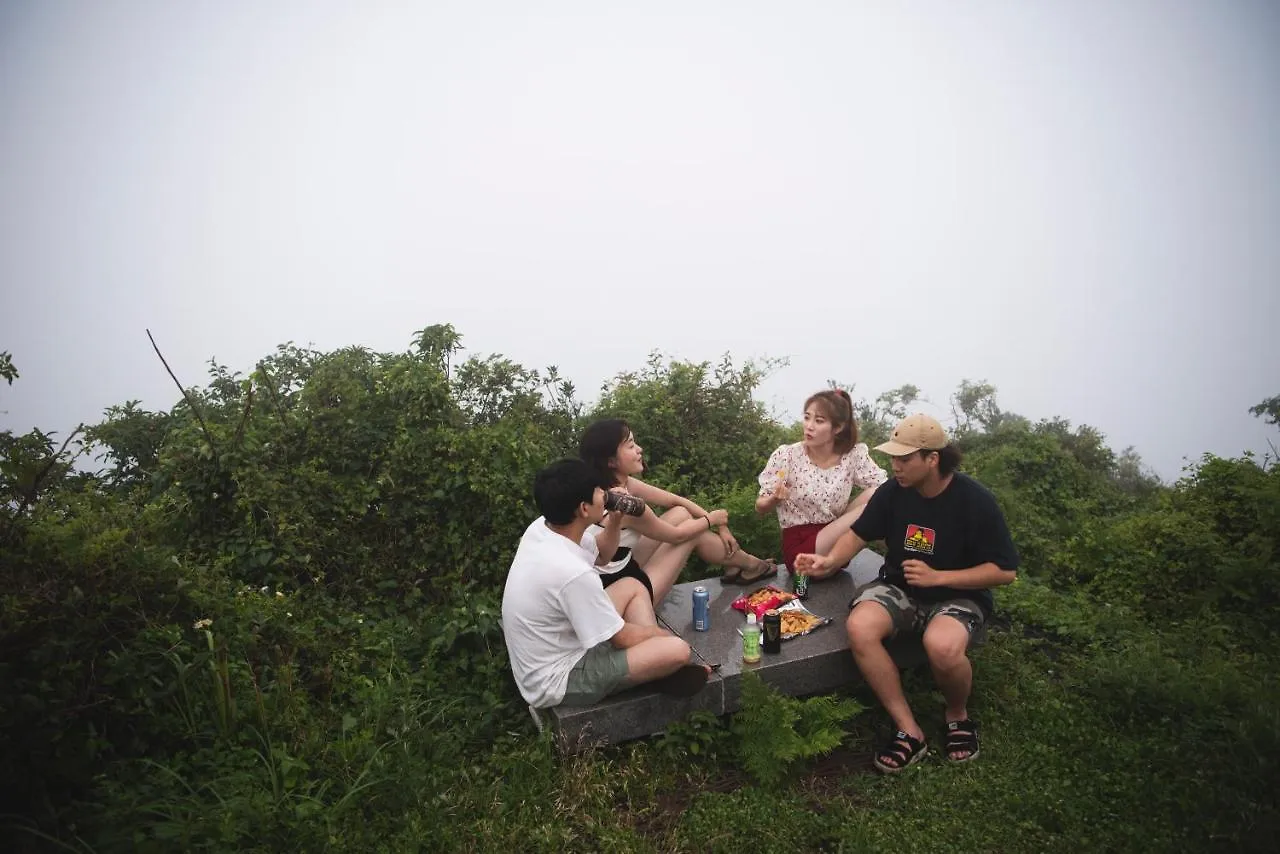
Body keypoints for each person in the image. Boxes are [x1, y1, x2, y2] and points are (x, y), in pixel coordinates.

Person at [795, 413, 1018, 772]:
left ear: (932, 459)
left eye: (904, 458)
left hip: (958, 595)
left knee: (942, 647)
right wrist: (830, 561)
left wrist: (940, 578)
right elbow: (858, 533)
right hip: (900, 588)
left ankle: (957, 715)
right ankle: (909, 730)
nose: (894, 466)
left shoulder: (975, 501)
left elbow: (1004, 572)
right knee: (860, 628)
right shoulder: (894, 492)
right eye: (893, 457)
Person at [501, 459, 711, 711]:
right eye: (599, 491)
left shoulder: (544, 527)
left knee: (632, 585)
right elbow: (621, 637)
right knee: (678, 650)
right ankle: (656, 668)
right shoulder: (571, 572)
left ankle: (655, 666)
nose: (606, 493)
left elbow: (602, 555)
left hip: (561, 639)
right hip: (558, 677)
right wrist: (660, 635)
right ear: (583, 508)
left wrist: (614, 521)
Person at [579, 419, 775, 601]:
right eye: (631, 446)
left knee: (681, 512)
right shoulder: (626, 505)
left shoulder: (606, 488)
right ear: (611, 461)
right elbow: (678, 536)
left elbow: (674, 500)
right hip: (618, 597)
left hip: (616, 569)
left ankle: (736, 563)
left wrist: (722, 526)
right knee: (692, 532)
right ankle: (751, 564)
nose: (639, 449)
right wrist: (713, 519)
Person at [755, 389, 887, 574]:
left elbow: (885, 487)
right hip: (802, 552)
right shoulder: (787, 456)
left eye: (819, 421)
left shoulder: (852, 456)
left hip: (837, 542)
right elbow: (760, 507)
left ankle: (903, 556)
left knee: (878, 494)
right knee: (871, 509)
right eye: (807, 417)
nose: (809, 426)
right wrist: (773, 499)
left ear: (838, 427)